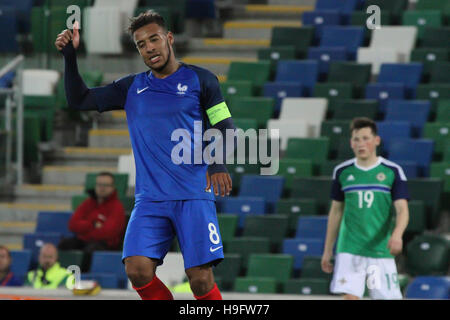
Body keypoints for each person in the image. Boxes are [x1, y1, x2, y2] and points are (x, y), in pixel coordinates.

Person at [54, 10, 235, 300]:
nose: (149, 47)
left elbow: (225, 127)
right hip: (150, 199)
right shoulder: (131, 88)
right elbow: (80, 100)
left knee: (200, 280)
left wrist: (217, 164)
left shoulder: (202, 81)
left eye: (154, 39)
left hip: (193, 194)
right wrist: (70, 57)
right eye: (141, 44)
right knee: (137, 269)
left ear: (169, 39)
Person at [321, 117, 410, 300]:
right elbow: (336, 211)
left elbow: (402, 209)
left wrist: (397, 234)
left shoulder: (391, 171)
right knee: (350, 296)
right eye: (356, 139)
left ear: (376, 140)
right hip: (350, 247)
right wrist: (328, 249)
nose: (361, 143)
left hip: (380, 248)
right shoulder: (342, 172)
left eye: (365, 138)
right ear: (351, 143)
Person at [58, 172, 126, 272]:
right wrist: (93, 224)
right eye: (99, 184)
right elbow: (72, 224)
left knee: (91, 249)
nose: (102, 188)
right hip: (85, 241)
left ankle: (84, 279)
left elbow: (108, 233)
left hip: (106, 245)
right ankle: (62, 275)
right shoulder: (88, 203)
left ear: (112, 187)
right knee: (64, 244)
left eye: (106, 185)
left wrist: (84, 230)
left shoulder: (117, 207)